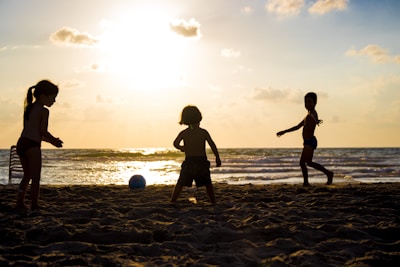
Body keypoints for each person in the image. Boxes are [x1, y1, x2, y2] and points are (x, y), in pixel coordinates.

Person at [16, 80, 63, 210]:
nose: (54, 101)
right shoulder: (44, 111)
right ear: (43, 96)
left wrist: (51, 141)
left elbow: (36, 133)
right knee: (35, 177)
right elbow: (43, 131)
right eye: (53, 98)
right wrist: (54, 139)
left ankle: (20, 201)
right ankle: (34, 204)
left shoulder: (29, 108)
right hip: (32, 146)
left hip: (22, 143)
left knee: (27, 176)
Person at [276, 92, 333, 186]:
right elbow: (297, 127)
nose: (308, 104)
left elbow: (314, 117)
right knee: (309, 163)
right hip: (307, 142)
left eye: (310, 102)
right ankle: (328, 173)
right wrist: (284, 131)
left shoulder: (313, 113)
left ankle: (306, 182)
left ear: (315, 103)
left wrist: (316, 120)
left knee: (302, 162)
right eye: (306, 102)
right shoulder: (307, 115)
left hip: (310, 141)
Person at [171, 105, 221, 204]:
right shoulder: (203, 132)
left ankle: (173, 200)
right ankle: (213, 201)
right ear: (199, 117)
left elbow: (175, 143)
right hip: (201, 161)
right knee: (207, 183)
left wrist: (181, 147)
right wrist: (217, 157)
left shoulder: (184, 133)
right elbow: (212, 145)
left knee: (181, 182)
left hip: (189, 161)